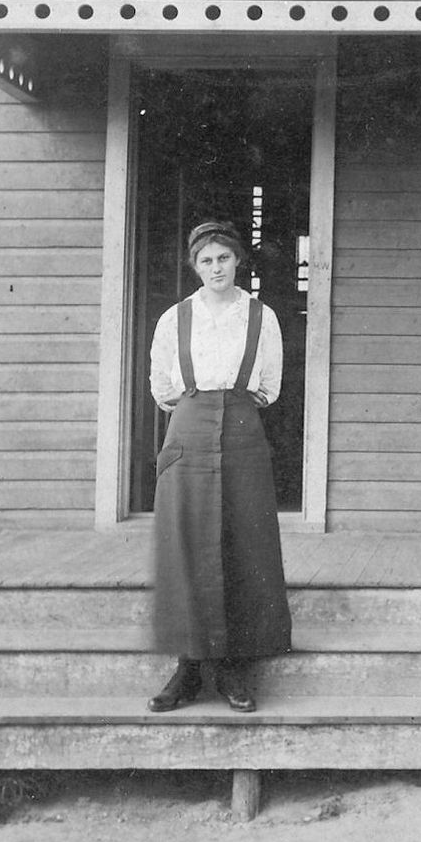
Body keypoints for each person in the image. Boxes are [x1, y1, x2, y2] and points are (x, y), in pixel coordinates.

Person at [145, 220, 293, 712]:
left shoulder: (260, 317)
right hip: (187, 430)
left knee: (241, 542)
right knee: (186, 545)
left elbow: (268, 386)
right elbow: (163, 390)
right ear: (195, 266)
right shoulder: (175, 319)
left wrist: (233, 405)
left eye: (224, 259)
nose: (216, 268)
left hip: (242, 431)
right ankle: (187, 670)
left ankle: (233, 668)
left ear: (237, 262)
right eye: (206, 261)